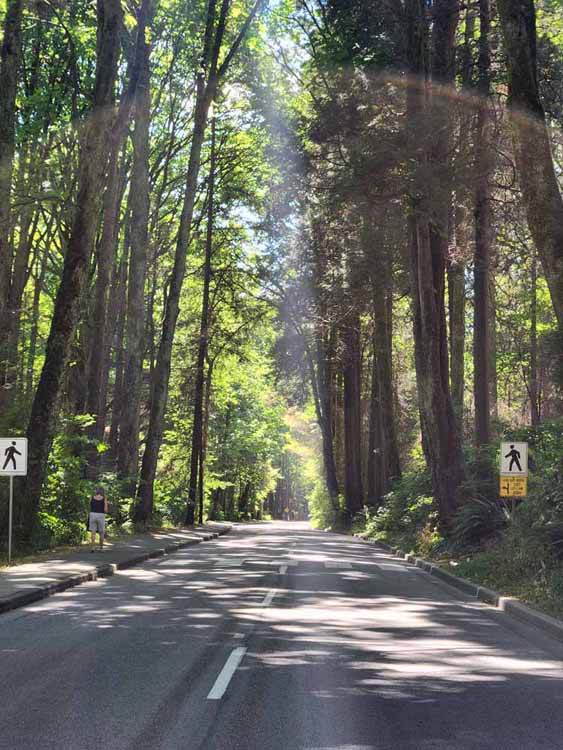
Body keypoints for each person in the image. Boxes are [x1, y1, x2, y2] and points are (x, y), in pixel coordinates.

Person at [89, 487, 108, 551]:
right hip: (101, 515)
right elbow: (105, 509)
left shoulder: (91, 497)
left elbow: (89, 505)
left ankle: (92, 548)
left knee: (93, 532)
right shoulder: (104, 498)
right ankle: (101, 548)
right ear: (102, 492)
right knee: (101, 532)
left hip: (92, 514)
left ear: (96, 492)